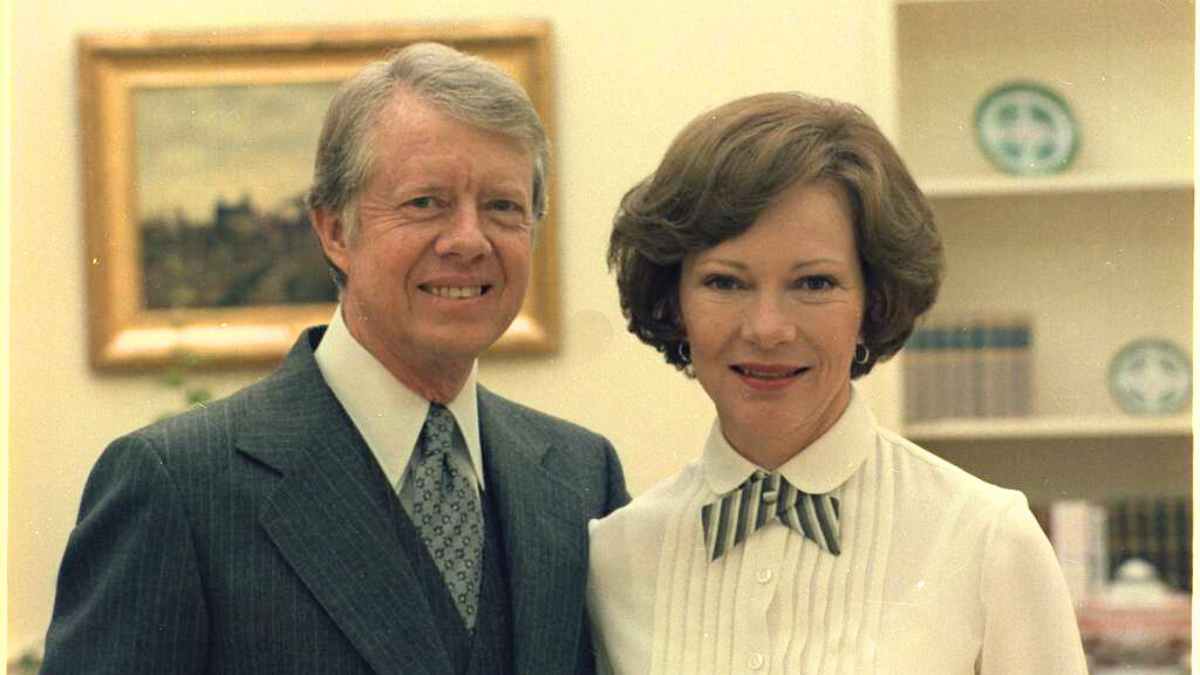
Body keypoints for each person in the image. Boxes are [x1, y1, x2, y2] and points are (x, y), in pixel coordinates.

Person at [42, 42, 629, 674]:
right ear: (334, 231)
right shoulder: (178, 485)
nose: (468, 239)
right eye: (425, 202)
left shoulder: (579, 476)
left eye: (503, 207)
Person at [588, 92, 1086, 674]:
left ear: (873, 302)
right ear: (674, 302)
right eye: (725, 283)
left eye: (815, 284)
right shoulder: (615, 555)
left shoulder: (986, 537)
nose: (768, 329)